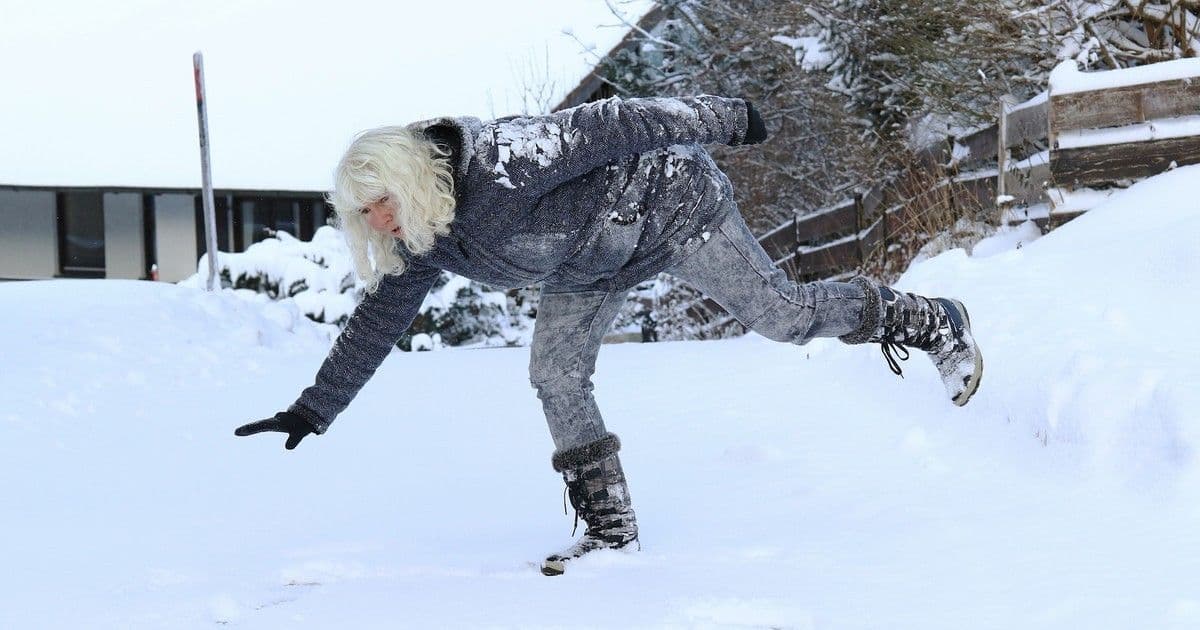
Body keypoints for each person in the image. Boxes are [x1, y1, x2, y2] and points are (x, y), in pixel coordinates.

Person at [234, 95, 983, 576]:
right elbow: (378, 323)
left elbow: (615, 122)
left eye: (379, 205)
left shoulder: (504, 162)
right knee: (554, 374)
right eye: (362, 215)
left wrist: (723, 118)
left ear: (408, 180)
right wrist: (313, 409)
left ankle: (927, 320)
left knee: (782, 316)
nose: (376, 223)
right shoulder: (426, 239)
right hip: (587, 265)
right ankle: (609, 530)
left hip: (668, 209)